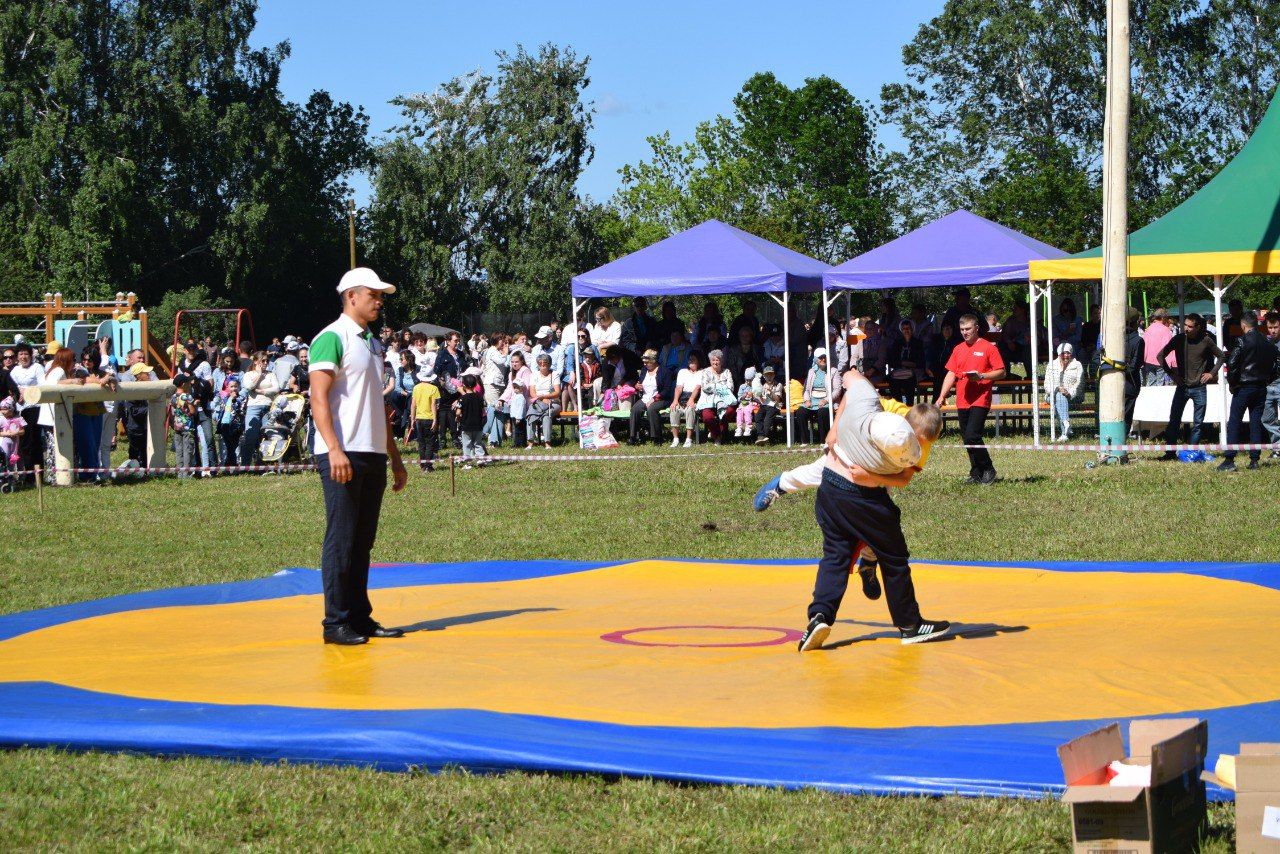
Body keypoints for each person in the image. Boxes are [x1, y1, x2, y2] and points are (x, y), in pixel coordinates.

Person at [790, 366, 950, 651]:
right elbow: (902, 479)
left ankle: (819, 615)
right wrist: (836, 429)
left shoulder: (866, 403)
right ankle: (910, 625)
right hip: (863, 497)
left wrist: (838, 426)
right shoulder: (906, 452)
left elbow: (849, 375)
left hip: (830, 487)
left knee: (836, 555)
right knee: (894, 556)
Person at [308, 267, 408, 646]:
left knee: (362, 540)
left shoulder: (371, 342)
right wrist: (333, 448)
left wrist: (394, 457)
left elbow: (377, 406)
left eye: (381, 295)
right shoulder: (331, 337)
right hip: (343, 451)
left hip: (371, 452)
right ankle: (335, 623)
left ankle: (360, 618)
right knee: (342, 538)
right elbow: (318, 398)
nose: (379, 301)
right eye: (374, 295)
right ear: (351, 295)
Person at [935, 314, 1006, 484]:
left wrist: (981, 376)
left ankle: (988, 468)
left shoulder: (989, 347)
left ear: (976, 328)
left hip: (980, 399)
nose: (965, 332)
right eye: (962, 330)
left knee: (973, 435)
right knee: (966, 438)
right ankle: (976, 472)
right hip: (962, 400)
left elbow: (1002, 372)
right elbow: (951, 373)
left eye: (967, 329)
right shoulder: (958, 349)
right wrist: (941, 396)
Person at [1158, 313, 1225, 457]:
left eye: (1190, 326)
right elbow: (1160, 355)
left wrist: (1211, 373)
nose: (1186, 328)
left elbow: (1221, 356)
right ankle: (1169, 453)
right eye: (1185, 325)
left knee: (1198, 423)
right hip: (1182, 387)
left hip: (1199, 387)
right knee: (1174, 421)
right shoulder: (1179, 339)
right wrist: (1171, 374)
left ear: (1198, 327)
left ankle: (1192, 452)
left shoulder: (1206, 340)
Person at [1219, 313, 1277, 472]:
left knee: (1235, 422)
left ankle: (1230, 459)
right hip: (1261, 387)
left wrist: (1232, 383)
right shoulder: (1268, 342)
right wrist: (1267, 380)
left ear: (1243, 326)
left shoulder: (1241, 341)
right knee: (1255, 423)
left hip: (1243, 387)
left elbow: (1232, 363)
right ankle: (1254, 460)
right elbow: (1275, 365)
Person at [10, 343, 45, 480]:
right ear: (17, 357)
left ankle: (38, 475)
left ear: (31, 355)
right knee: (24, 443)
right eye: (21, 354)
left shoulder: (37, 368)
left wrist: (26, 391)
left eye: (26, 354)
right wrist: (18, 392)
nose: (24, 357)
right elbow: (11, 387)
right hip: (20, 411)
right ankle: (28, 473)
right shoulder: (15, 371)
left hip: (34, 409)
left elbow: (42, 386)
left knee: (35, 441)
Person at [239, 351, 280, 466]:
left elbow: (277, 388)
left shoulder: (271, 374)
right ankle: (245, 466)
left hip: (269, 407)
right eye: (263, 360)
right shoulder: (249, 374)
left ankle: (265, 464)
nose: (266, 363)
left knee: (268, 435)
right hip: (253, 408)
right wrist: (259, 374)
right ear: (256, 361)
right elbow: (249, 386)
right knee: (251, 436)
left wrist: (262, 391)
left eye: (267, 360)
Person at [434, 331, 470, 449]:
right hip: (446, 389)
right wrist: (443, 382)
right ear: (448, 341)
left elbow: (465, 369)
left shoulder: (460, 354)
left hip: (459, 387)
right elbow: (437, 370)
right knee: (444, 414)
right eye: (455, 340)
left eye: (458, 340)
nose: (457, 342)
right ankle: (442, 438)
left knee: (456, 412)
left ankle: (456, 438)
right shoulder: (442, 354)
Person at [629, 349, 670, 445]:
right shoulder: (644, 371)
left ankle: (656, 437)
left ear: (653, 361)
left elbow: (667, 390)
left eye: (647, 362)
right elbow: (640, 383)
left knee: (652, 409)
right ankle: (633, 436)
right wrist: (637, 386)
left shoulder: (664, 371)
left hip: (661, 398)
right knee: (635, 409)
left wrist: (654, 399)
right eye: (644, 362)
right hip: (645, 397)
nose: (644, 365)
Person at [1044, 343, 1084, 441]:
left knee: (1059, 399)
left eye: (1068, 353)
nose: (1065, 355)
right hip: (1052, 395)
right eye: (1063, 353)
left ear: (1071, 354)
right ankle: (1066, 426)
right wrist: (1057, 389)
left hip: (1073, 397)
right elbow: (1046, 384)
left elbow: (1080, 384)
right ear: (1058, 354)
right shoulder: (1051, 365)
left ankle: (1065, 431)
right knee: (1059, 396)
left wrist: (1069, 392)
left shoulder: (1077, 365)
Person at [696, 349, 736, 445]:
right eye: (713, 360)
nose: (715, 362)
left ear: (721, 361)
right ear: (710, 361)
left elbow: (730, 387)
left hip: (724, 400)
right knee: (707, 416)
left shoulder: (727, 372)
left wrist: (715, 386)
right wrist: (720, 387)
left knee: (729, 411)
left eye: (717, 360)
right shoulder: (705, 372)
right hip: (708, 400)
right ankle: (717, 434)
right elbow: (705, 387)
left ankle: (718, 434)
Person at [801, 348, 838, 444]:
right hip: (812, 400)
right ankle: (804, 441)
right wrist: (807, 400)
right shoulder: (811, 371)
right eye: (821, 358)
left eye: (825, 357)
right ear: (816, 359)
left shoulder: (833, 371)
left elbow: (837, 390)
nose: (823, 360)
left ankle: (823, 441)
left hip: (826, 400)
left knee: (822, 412)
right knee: (801, 411)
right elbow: (806, 389)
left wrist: (826, 400)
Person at [669, 351, 703, 448]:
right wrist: (675, 400)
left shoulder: (702, 372)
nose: (691, 361)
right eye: (690, 359)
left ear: (698, 361)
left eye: (693, 359)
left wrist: (692, 399)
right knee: (674, 409)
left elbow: (698, 387)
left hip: (695, 397)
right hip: (682, 397)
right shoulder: (682, 372)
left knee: (690, 410)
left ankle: (688, 439)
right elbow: (679, 387)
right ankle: (675, 439)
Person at [527, 353, 561, 449]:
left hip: (553, 402)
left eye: (545, 363)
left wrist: (546, 397)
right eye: (540, 363)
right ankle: (530, 442)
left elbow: (557, 392)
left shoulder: (554, 374)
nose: (542, 364)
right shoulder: (534, 375)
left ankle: (547, 442)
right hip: (538, 401)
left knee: (547, 415)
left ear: (549, 364)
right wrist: (542, 398)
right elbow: (532, 392)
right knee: (531, 414)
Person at [886, 319, 924, 404]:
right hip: (899, 371)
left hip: (913, 372)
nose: (906, 331)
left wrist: (909, 364)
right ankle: (898, 406)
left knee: (910, 383)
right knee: (892, 382)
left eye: (908, 328)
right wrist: (903, 363)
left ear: (912, 329)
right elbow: (893, 361)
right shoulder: (897, 343)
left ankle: (909, 407)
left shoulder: (918, 343)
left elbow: (920, 361)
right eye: (903, 329)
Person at [455, 366, 488, 464]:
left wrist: (457, 418)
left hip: (466, 425)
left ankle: (468, 462)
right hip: (478, 425)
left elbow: (458, 412)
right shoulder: (479, 397)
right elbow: (482, 410)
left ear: (464, 385)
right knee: (478, 443)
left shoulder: (462, 399)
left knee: (467, 444)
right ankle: (481, 459)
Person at [500, 350, 533, 448]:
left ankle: (520, 443)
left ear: (522, 361)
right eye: (512, 362)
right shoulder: (511, 373)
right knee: (515, 422)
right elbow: (510, 388)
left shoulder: (525, 370)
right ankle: (517, 442)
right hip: (514, 401)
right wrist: (502, 399)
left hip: (522, 400)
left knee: (520, 423)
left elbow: (526, 387)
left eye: (516, 362)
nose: (514, 364)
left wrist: (521, 401)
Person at [411, 366, 440, 471]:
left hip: (419, 418)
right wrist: (435, 419)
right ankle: (428, 465)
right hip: (429, 418)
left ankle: (423, 464)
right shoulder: (434, 388)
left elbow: (413, 404)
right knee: (430, 442)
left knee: (421, 442)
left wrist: (412, 419)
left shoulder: (416, 388)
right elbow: (433, 405)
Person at [211, 379, 245, 467]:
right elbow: (222, 409)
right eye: (231, 386)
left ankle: (231, 464)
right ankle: (229, 464)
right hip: (224, 425)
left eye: (235, 386)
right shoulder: (225, 398)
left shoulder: (240, 398)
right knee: (228, 446)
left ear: (238, 387)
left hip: (235, 425)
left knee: (234, 445)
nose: (233, 388)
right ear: (227, 388)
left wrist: (234, 399)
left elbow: (239, 409)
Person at [170, 374, 198, 478]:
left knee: (179, 449)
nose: (189, 384)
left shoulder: (173, 397)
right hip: (187, 426)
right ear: (183, 384)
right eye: (187, 383)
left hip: (177, 426)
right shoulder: (187, 396)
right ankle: (186, 473)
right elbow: (192, 411)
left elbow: (173, 411)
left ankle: (179, 472)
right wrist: (195, 405)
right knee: (187, 449)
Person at [752, 364, 786, 443]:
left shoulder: (778, 385)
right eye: (767, 375)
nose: (769, 377)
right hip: (764, 405)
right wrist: (760, 395)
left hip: (775, 406)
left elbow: (778, 399)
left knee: (768, 418)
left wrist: (771, 392)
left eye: (771, 374)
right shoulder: (762, 386)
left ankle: (764, 435)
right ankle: (760, 435)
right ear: (764, 376)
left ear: (774, 375)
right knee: (758, 416)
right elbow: (763, 401)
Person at [1262, 312, 1280, 458]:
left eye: (1275, 327)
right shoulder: (1265, 344)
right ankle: (1277, 448)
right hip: (1268, 385)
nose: (1273, 330)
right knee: (1267, 419)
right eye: (1270, 327)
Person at [1142, 308, 1175, 386]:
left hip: (1148, 361)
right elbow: (1168, 347)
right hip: (1161, 361)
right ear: (1163, 318)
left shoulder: (1148, 329)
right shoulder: (1165, 330)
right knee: (1161, 385)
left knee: (1151, 383)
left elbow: (1144, 345)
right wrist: (1170, 364)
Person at [734, 367, 759, 439]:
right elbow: (739, 398)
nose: (748, 382)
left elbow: (760, 398)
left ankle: (748, 426)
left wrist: (753, 396)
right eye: (746, 380)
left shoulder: (756, 386)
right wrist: (743, 396)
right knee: (739, 410)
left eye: (750, 380)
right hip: (744, 403)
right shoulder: (742, 386)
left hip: (753, 403)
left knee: (747, 409)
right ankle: (739, 427)